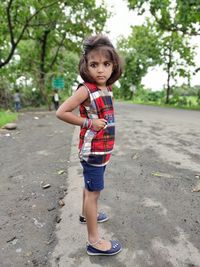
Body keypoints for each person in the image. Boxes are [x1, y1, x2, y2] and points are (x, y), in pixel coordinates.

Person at [56, 34, 123, 256]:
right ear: (86, 65)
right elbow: (61, 112)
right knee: (94, 193)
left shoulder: (108, 88)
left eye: (106, 64)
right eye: (94, 64)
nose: (100, 70)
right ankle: (94, 241)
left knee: (90, 187)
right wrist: (88, 122)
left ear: (114, 65)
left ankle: (87, 214)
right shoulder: (85, 89)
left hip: (104, 151)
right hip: (93, 151)